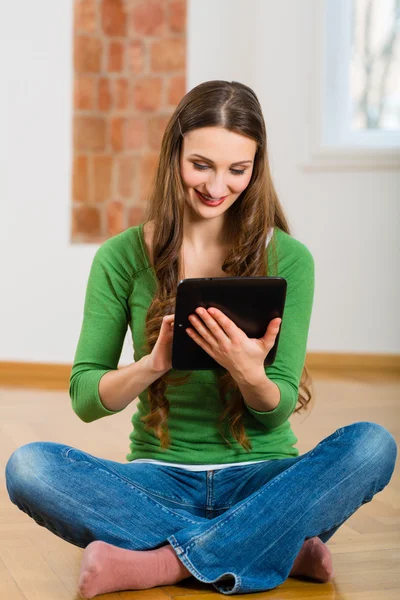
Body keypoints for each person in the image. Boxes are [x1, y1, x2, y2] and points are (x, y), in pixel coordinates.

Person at [5, 80, 397, 598]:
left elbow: (274, 411)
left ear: (256, 168)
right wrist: (152, 364)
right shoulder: (121, 258)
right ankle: (275, 545)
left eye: (238, 169)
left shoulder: (290, 260)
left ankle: (164, 564)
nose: (218, 186)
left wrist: (248, 370)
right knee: (28, 467)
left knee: (373, 446)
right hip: (157, 482)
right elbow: (85, 399)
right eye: (202, 165)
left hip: (265, 480)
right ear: (174, 156)